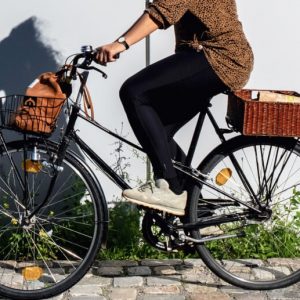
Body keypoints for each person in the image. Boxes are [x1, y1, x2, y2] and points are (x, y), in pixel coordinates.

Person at [95, 0, 254, 216]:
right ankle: (197, 214)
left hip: (219, 57)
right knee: (156, 130)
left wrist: (121, 43)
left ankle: (167, 188)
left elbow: (163, 11)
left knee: (134, 92)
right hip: (214, 57)